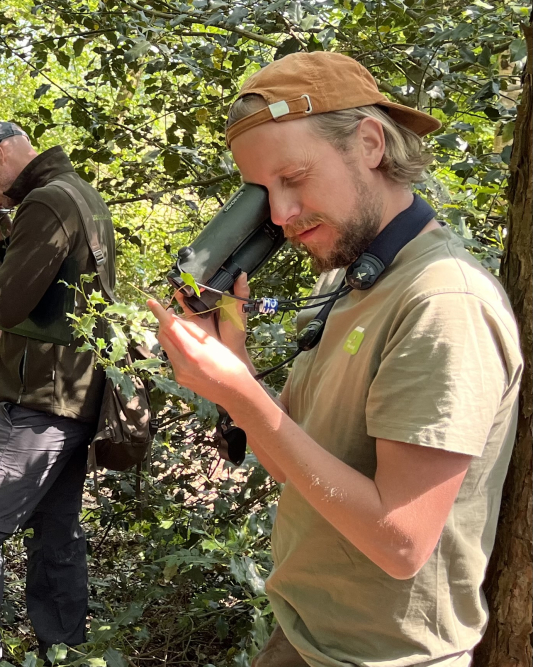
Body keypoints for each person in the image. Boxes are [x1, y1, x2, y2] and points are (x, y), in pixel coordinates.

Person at [147, 52, 522, 667]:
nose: (279, 215)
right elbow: (296, 463)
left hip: (382, 656)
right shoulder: (347, 285)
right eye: (262, 192)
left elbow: (400, 542)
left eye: (294, 177)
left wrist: (241, 393)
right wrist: (232, 366)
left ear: (369, 143)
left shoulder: (443, 302)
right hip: (305, 631)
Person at [0, 122, 117, 665]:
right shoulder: (77, 193)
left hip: (41, 401)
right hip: (72, 394)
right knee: (55, 537)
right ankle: (63, 654)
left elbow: (7, 303)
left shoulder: (46, 203)